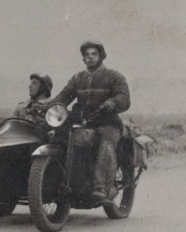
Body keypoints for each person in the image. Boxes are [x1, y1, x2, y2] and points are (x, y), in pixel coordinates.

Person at [49, 41, 131, 204]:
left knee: (106, 142)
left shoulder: (114, 76)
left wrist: (113, 102)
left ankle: (100, 187)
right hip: (83, 121)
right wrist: (46, 106)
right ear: (83, 59)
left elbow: (124, 98)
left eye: (94, 54)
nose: (90, 57)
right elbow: (63, 97)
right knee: (60, 138)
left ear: (101, 56)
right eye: (87, 55)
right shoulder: (77, 78)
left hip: (107, 122)